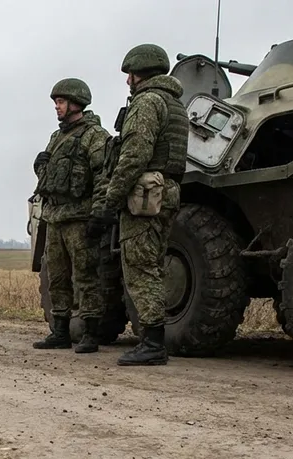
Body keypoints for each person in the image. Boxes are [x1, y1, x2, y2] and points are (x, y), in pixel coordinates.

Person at [90, 44, 189, 366]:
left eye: (129, 75)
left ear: (139, 73)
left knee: (140, 268)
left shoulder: (147, 102)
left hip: (144, 195)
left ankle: (152, 343)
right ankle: (154, 341)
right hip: (167, 191)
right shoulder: (175, 104)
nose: (127, 81)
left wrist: (110, 199)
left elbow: (134, 155)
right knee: (154, 266)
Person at [31, 78, 112, 354]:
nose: (57, 107)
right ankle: (60, 332)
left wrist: (99, 212)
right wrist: (40, 167)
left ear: (76, 103)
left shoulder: (94, 136)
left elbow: (103, 176)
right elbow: (51, 178)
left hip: (79, 217)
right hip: (54, 217)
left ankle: (91, 333)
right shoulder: (57, 137)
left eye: (61, 102)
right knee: (57, 277)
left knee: (86, 276)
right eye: (56, 102)